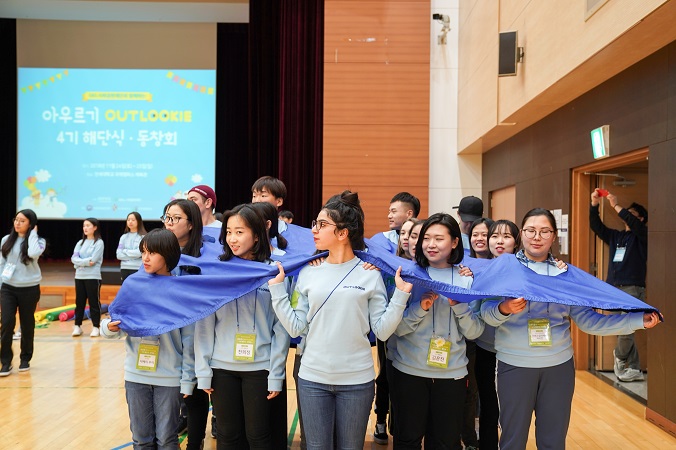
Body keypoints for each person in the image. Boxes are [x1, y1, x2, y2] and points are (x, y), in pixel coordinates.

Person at [481, 208, 660, 450]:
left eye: (544, 231)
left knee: (553, 441)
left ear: (554, 236)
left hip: (559, 368)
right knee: (512, 440)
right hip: (514, 366)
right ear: (521, 234)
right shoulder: (504, 269)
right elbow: (486, 316)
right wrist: (504, 308)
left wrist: (637, 320)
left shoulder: (566, 275)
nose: (537, 237)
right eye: (531, 230)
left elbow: (589, 321)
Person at [268, 190, 412, 450]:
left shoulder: (369, 274)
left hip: (357, 381)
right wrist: (278, 292)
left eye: (322, 225)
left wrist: (400, 296)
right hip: (312, 378)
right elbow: (296, 328)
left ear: (343, 233)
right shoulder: (309, 272)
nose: (315, 230)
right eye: (315, 223)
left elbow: (381, 331)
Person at [195, 204, 290, 449]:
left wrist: (277, 372)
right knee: (227, 435)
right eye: (228, 232)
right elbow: (204, 325)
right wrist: (203, 370)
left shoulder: (275, 272)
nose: (232, 239)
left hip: (260, 368)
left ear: (256, 235)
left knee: (258, 435)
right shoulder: (216, 272)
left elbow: (280, 328)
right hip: (221, 368)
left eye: (239, 232)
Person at [388, 213, 484, 449]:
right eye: (426, 238)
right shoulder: (408, 275)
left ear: (454, 242)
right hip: (409, 372)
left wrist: (459, 306)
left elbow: (474, 332)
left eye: (439, 238)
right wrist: (420, 308)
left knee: (445, 442)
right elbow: (396, 328)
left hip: (451, 376)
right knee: (407, 439)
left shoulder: (467, 279)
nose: (431, 244)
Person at [101, 228, 196, 450]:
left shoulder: (180, 290)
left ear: (169, 254)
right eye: (143, 251)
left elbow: (189, 340)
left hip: (169, 377)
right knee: (141, 440)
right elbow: (114, 323)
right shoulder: (133, 284)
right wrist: (110, 328)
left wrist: (188, 379)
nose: (145, 258)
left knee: (167, 440)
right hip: (136, 375)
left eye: (152, 252)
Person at [161, 199, 210, 449]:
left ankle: (195, 442)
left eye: (175, 218)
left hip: (197, 335)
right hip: (167, 336)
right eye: (166, 217)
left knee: (195, 392)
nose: (168, 223)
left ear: (191, 224)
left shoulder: (204, 257)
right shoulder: (159, 253)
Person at [590, 188, 648, 382]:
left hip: (632, 287)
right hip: (613, 288)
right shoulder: (617, 236)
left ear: (640, 219)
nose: (626, 215)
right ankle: (634, 368)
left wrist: (615, 205)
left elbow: (636, 225)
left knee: (626, 329)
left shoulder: (642, 237)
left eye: (632, 214)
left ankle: (620, 357)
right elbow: (597, 227)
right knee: (621, 327)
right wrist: (594, 205)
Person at [472, 219, 521, 450]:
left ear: (516, 241)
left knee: (512, 409)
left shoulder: (525, 269)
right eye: (494, 236)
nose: (499, 241)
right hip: (485, 348)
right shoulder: (480, 270)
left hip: (516, 352)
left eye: (506, 236)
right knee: (489, 407)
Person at [0, 209, 46, 376]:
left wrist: (33, 234)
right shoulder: (6, 240)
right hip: (8, 288)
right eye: (16, 219)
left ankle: (25, 358)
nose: (17, 223)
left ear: (31, 224)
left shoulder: (39, 242)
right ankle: (5, 362)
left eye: (22, 221)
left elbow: (33, 253)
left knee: (27, 325)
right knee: (6, 324)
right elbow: (2, 264)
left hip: (29, 288)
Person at [71, 217, 104, 338]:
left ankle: (96, 326)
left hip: (93, 277)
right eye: (84, 225)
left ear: (95, 227)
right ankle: (77, 326)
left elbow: (93, 260)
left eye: (88, 225)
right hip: (79, 276)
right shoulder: (80, 243)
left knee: (94, 302)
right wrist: (81, 262)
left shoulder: (99, 242)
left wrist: (79, 262)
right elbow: (73, 259)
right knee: (79, 302)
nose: (85, 228)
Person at [117, 212, 147, 282]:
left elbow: (139, 253)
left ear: (138, 221)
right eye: (128, 220)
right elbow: (118, 255)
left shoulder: (143, 237)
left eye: (133, 220)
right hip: (124, 268)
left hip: (137, 268)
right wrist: (133, 255)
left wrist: (124, 251)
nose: (130, 222)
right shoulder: (123, 237)